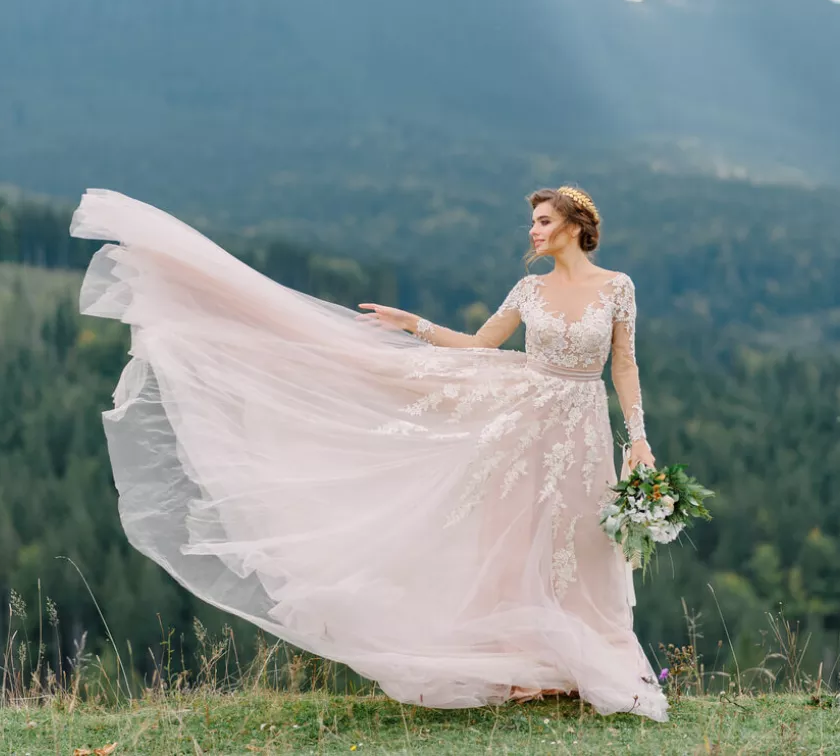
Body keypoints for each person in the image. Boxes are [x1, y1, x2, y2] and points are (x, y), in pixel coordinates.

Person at [70, 184, 668, 722]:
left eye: (542, 221)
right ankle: (522, 668)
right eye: (533, 222)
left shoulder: (616, 288)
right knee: (513, 536)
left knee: (577, 538)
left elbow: (623, 365)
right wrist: (414, 325)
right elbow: (482, 345)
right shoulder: (529, 289)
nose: (533, 231)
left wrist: (637, 438)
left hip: (582, 426)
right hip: (520, 420)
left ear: (571, 225)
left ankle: (576, 661)